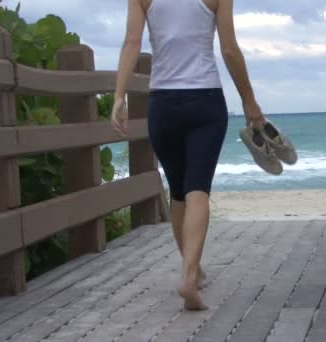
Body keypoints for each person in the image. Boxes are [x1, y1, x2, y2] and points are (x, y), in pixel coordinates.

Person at [111, 0, 265, 311]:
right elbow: (230, 50)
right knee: (198, 189)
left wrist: (118, 96)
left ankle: (191, 270)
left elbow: (132, 41)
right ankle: (190, 275)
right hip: (205, 100)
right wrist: (249, 101)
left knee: (179, 192)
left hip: (163, 105)